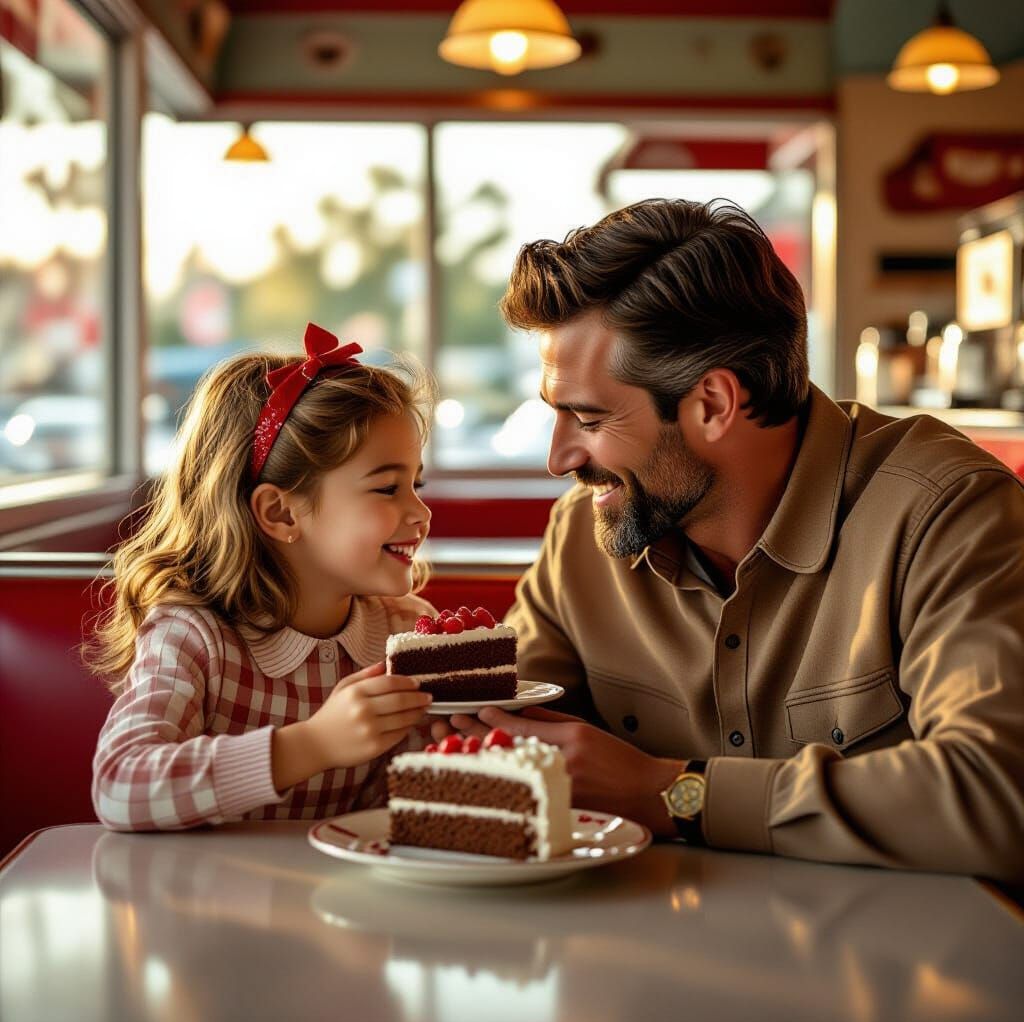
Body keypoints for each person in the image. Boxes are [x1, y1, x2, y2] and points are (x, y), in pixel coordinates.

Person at [452, 199, 1024, 882]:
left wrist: (674, 792)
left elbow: (998, 798)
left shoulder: (947, 512)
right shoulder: (584, 535)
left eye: (589, 417)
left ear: (714, 405)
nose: (559, 458)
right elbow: (510, 731)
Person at [88, 322, 437, 831]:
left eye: (417, 483)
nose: (421, 512)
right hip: (206, 901)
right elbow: (120, 786)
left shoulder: (404, 630)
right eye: (387, 489)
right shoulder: (193, 638)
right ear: (280, 513)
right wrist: (315, 744)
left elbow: (406, 808)